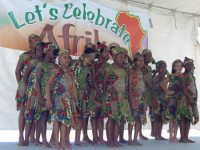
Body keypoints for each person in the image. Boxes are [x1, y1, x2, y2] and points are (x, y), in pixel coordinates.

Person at [46, 49, 79, 149]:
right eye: (64, 57)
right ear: (59, 59)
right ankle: (56, 142)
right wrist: (48, 99)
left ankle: (63, 141)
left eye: (68, 57)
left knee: (66, 120)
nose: (67, 60)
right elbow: (48, 85)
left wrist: (75, 100)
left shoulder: (71, 72)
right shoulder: (56, 71)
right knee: (57, 120)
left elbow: (73, 86)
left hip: (69, 100)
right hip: (58, 99)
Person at [103, 46, 133, 147]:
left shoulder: (125, 70)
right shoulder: (109, 68)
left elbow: (127, 85)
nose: (122, 59)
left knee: (118, 119)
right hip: (112, 97)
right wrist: (105, 96)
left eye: (124, 57)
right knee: (111, 119)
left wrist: (127, 97)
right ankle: (109, 140)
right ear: (114, 57)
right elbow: (104, 83)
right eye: (120, 57)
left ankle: (115, 140)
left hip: (122, 97)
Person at [15, 34, 41, 145]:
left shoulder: (41, 56)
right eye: (35, 40)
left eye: (39, 40)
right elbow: (17, 72)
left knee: (34, 111)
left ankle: (31, 137)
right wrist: (22, 85)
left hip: (36, 88)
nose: (37, 42)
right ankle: (21, 136)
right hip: (24, 87)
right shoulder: (25, 56)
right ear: (30, 43)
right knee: (23, 111)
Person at [35, 43, 59, 147]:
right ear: (47, 51)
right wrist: (39, 95)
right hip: (44, 94)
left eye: (56, 52)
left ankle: (53, 139)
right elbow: (38, 81)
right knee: (43, 116)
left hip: (55, 94)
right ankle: (43, 139)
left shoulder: (56, 65)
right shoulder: (41, 64)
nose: (55, 54)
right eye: (53, 51)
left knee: (56, 117)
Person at [23, 41, 45, 146]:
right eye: (38, 50)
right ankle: (26, 139)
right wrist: (29, 88)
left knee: (40, 116)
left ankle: (37, 139)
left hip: (43, 92)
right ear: (35, 50)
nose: (40, 51)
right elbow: (25, 76)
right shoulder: (33, 61)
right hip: (32, 92)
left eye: (42, 49)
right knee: (30, 115)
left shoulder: (45, 62)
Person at [72, 46, 96, 145]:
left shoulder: (88, 65)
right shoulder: (76, 63)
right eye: (92, 57)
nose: (93, 59)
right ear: (87, 55)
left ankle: (82, 137)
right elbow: (72, 78)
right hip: (75, 93)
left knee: (83, 116)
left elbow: (90, 81)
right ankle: (73, 139)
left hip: (84, 94)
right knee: (76, 115)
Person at [177, 57, 199, 143]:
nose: (190, 67)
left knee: (189, 118)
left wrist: (196, 97)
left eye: (192, 66)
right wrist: (189, 97)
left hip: (192, 100)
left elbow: (195, 88)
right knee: (183, 118)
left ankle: (186, 137)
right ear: (184, 66)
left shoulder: (192, 76)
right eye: (188, 65)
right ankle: (182, 137)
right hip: (184, 99)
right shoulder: (182, 76)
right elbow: (183, 89)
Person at [128, 53, 147, 146]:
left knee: (139, 119)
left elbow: (143, 88)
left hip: (141, 99)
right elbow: (130, 87)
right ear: (134, 62)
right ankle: (130, 139)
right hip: (134, 98)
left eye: (142, 60)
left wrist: (145, 101)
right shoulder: (131, 72)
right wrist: (131, 101)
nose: (140, 62)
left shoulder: (142, 73)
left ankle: (135, 139)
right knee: (132, 119)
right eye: (138, 60)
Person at [152, 60, 171, 140]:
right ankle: (156, 135)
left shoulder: (166, 78)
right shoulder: (155, 78)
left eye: (164, 68)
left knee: (161, 118)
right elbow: (152, 90)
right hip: (157, 100)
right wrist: (154, 101)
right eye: (160, 67)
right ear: (157, 68)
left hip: (163, 100)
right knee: (157, 118)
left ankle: (159, 134)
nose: (162, 69)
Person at [167, 59, 183, 142]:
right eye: (177, 65)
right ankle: (170, 136)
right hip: (172, 100)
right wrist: (169, 92)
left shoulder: (182, 76)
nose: (179, 67)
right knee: (171, 118)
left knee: (177, 118)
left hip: (180, 100)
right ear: (173, 67)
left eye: (180, 66)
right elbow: (163, 84)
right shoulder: (170, 76)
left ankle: (175, 136)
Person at [142, 49, 154, 138]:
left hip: (150, 91)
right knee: (142, 111)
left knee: (152, 109)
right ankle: (140, 133)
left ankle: (153, 131)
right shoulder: (141, 67)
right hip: (143, 91)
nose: (150, 57)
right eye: (148, 56)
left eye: (151, 55)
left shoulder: (149, 68)